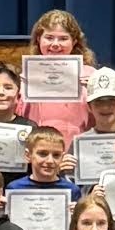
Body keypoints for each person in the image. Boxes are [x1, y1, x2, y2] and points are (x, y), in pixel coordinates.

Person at [16, 10, 99, 141]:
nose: (55, 44)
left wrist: (96, 93)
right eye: (49, 38)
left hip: (77, 152)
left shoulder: (92, 75)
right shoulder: (25, 76)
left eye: (63, 39)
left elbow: (106, 116)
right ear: (39, 39)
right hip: (38, 152)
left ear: (74, 41)